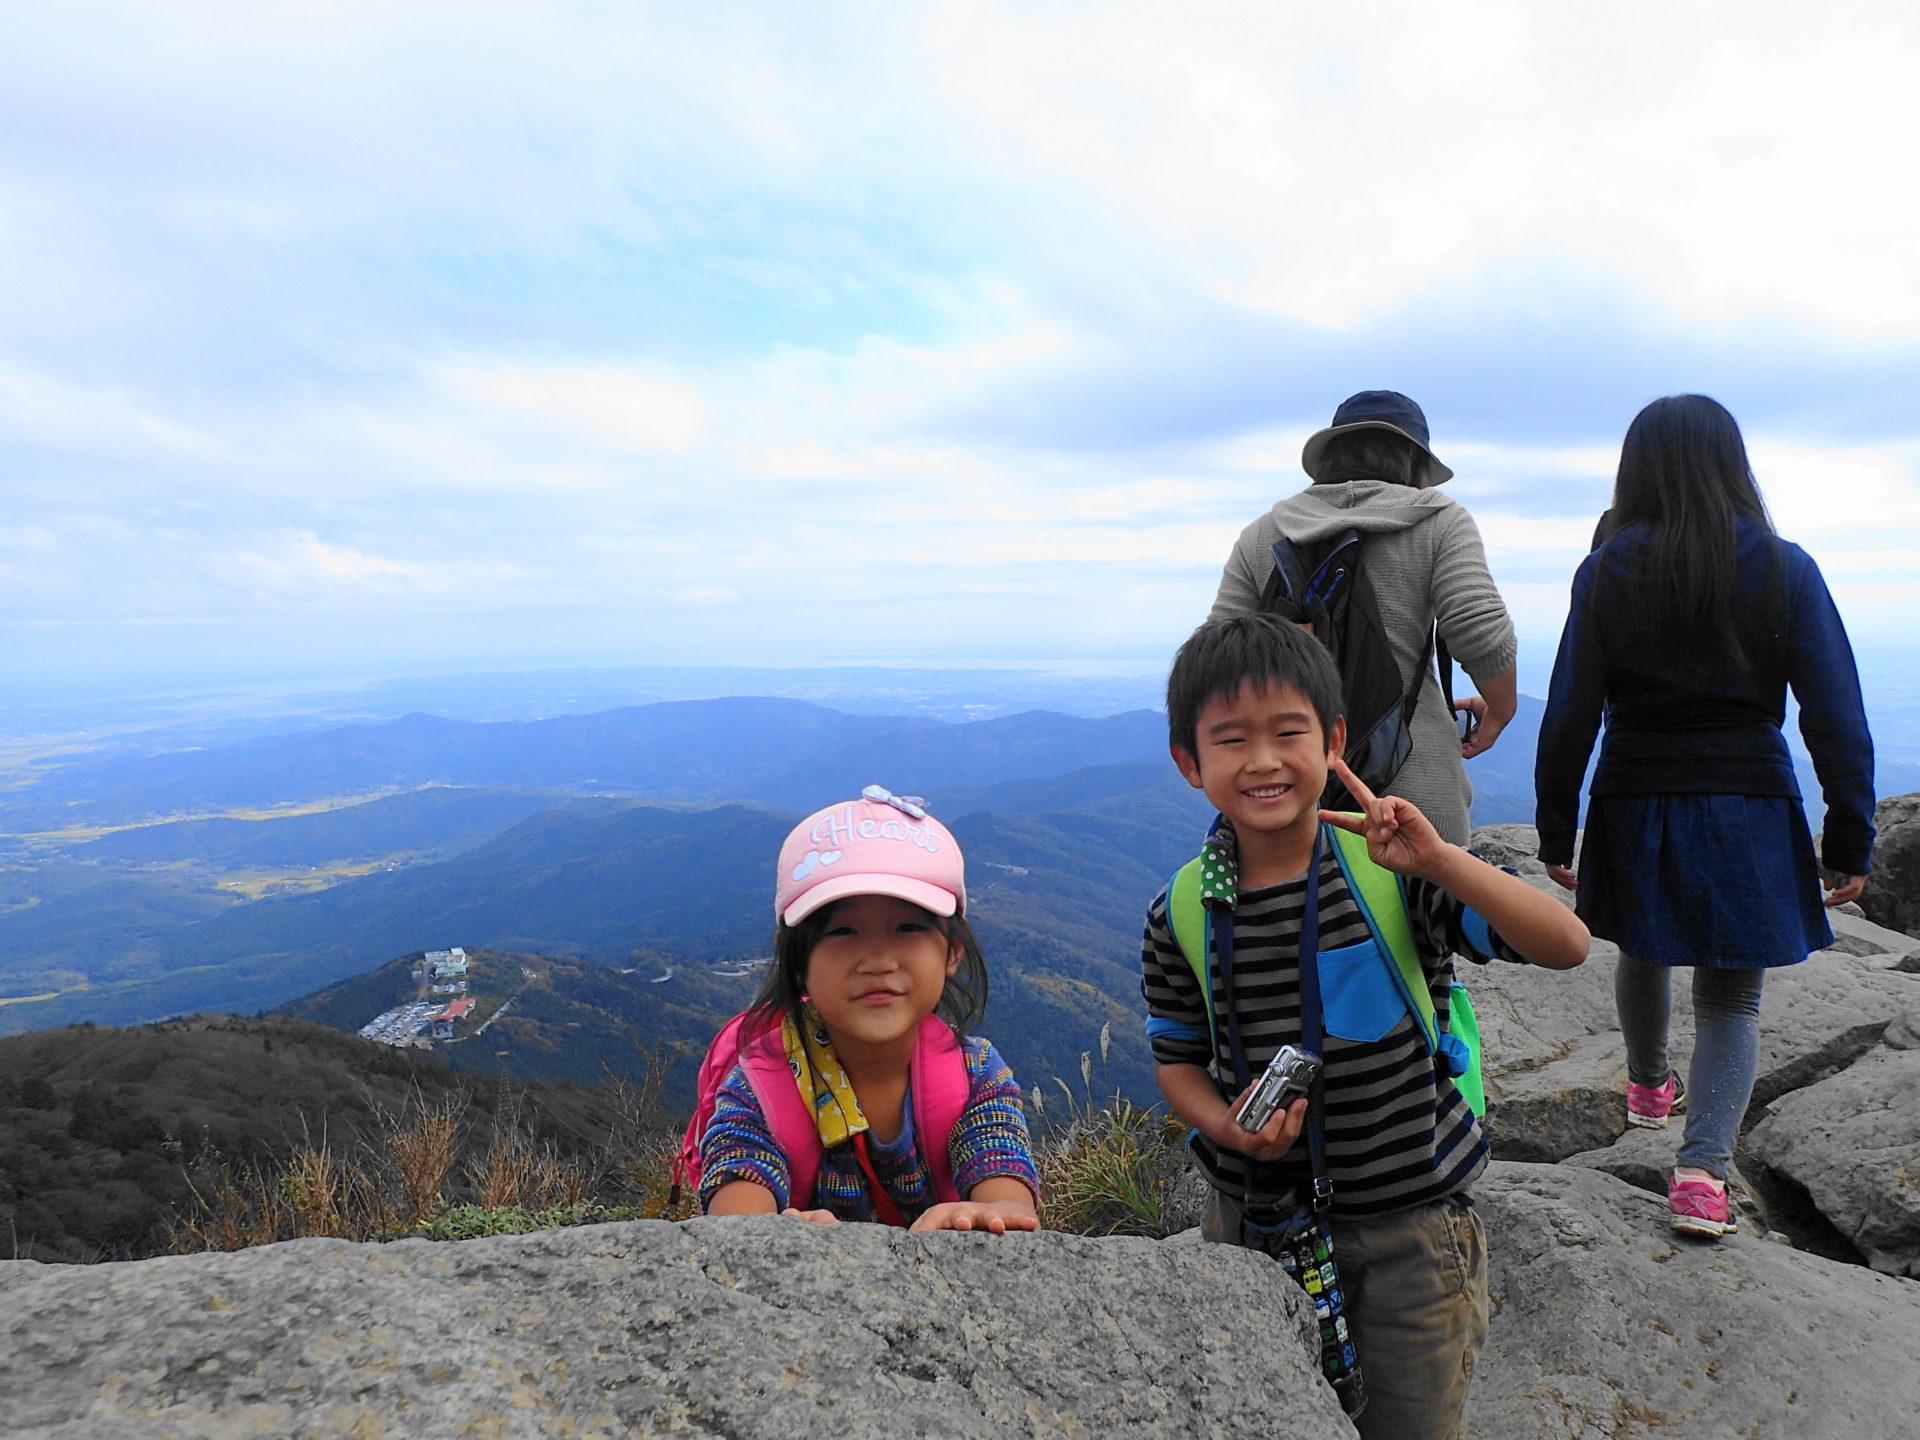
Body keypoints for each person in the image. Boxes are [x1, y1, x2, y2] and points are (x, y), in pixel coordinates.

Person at [1142, 614, 1588, 1439]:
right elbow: (1177, 1063)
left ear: (1334, 739)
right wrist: (1230, 1132)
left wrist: (1444, 862)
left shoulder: (1389, 878)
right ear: (1189, 763)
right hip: (1253, 1225)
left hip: (1409, 1236)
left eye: (1289, 732)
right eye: (1232, 739)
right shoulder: (1180, 912)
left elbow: (1566, 945)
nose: (1265, 760)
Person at [1534, 394, 1875, 1240]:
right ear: (1734, 464)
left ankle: (1648, 1086)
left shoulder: (1605, 568)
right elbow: (1836, 713)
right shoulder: (1784, 567)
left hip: (1634, 790)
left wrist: (1554, 829)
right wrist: (1848, 839)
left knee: (1644, 944)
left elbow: (1570, 710)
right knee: (1732, 1001)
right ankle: (1701, 1175)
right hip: (1748, 801)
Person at [699, 786, 1041, 1232]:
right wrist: (774, 1236)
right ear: (796, 958)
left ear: (952, 953)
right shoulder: (761, 1084)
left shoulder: (975, 1074)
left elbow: (1004, 1179)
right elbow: (736, 1193)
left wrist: (988, 1215)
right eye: (843, 931)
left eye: (907, 927)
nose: (879, 961)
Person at [1210, 390, 1519, 846]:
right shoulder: (1439, 520)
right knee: (1426, 915)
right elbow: (1478, 629)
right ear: (1415, 462)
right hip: (1416, 797)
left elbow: (1215, 656)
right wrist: (1502, 708)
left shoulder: (1264, 534)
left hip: (1291, 790)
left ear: (1331, 456)